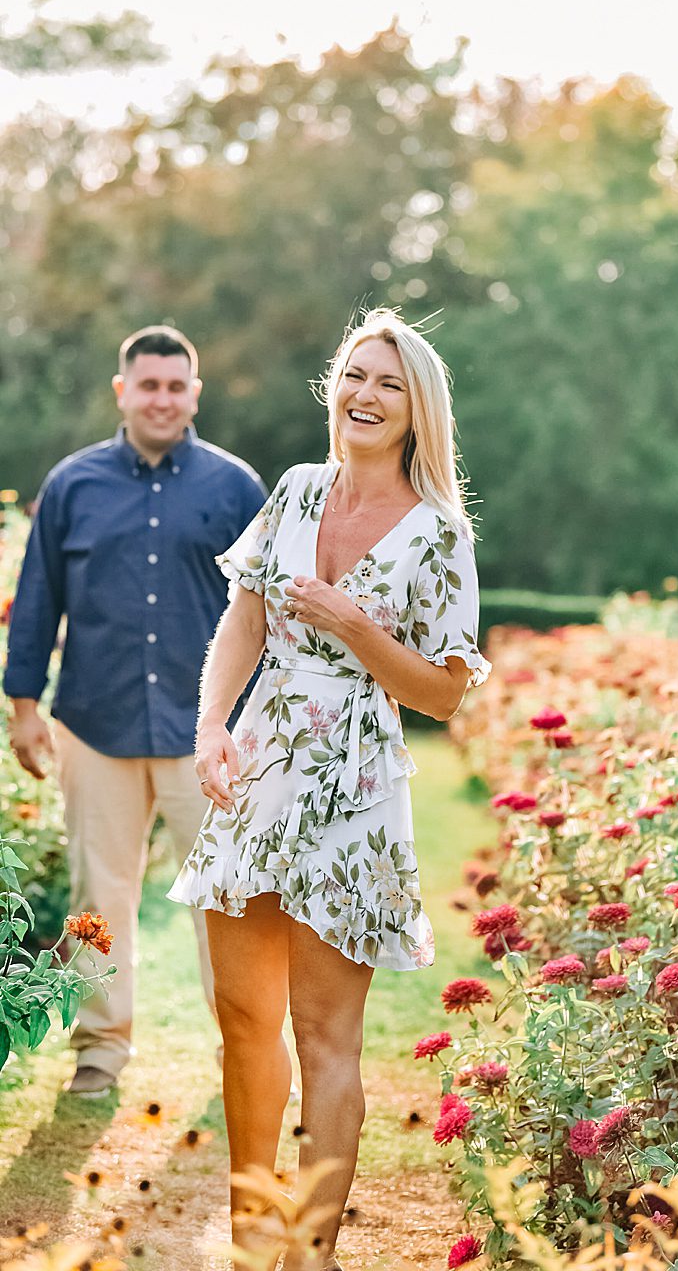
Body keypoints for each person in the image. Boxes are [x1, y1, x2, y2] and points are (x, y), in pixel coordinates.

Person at [169, 307, 490, 1268]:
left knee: (323, 1030)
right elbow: (245, 618)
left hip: (354, 782)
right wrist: (212, 725)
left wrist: (358, 627)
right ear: (333, 388)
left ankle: (310, 1250)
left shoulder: (438, 536)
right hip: (260, 769)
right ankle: (252, 1234)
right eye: (356, 375)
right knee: (242, 1018)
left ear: (417, 409)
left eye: (389, 383)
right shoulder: (298, 491)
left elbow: (443, 693)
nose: (366, 394)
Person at [4, 326, 267, 1096]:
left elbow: (266, 612)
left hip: (208, 736)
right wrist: (25, 707)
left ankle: (244, 1058)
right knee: (98, 901)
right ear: (123, 391)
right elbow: (38, 601)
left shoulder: (235, 488)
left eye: (176, 386)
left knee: (225, 901)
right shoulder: (72, 484)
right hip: (95, 722)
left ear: (195, 393)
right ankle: (100, 1051)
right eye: (147, 385)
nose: (162, 398)